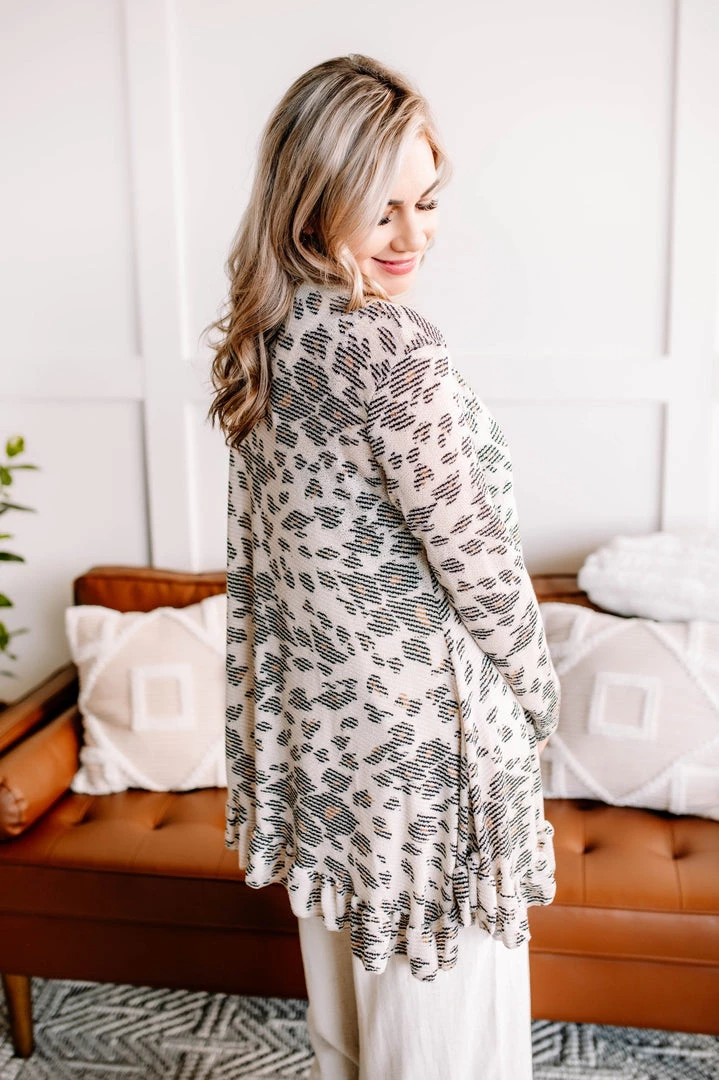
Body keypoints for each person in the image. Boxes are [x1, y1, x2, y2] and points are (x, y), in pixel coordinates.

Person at [207, 53, 561, 1080]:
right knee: (449, 1052)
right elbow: (478, 567)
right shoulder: (386, 349)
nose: (412, 236)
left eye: (426, 201)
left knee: (353, 1041)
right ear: (313, 200)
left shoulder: (268, 337)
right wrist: (541, 698)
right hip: (430, 772)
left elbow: (271, 569)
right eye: (381, 209)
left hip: (332, 754)